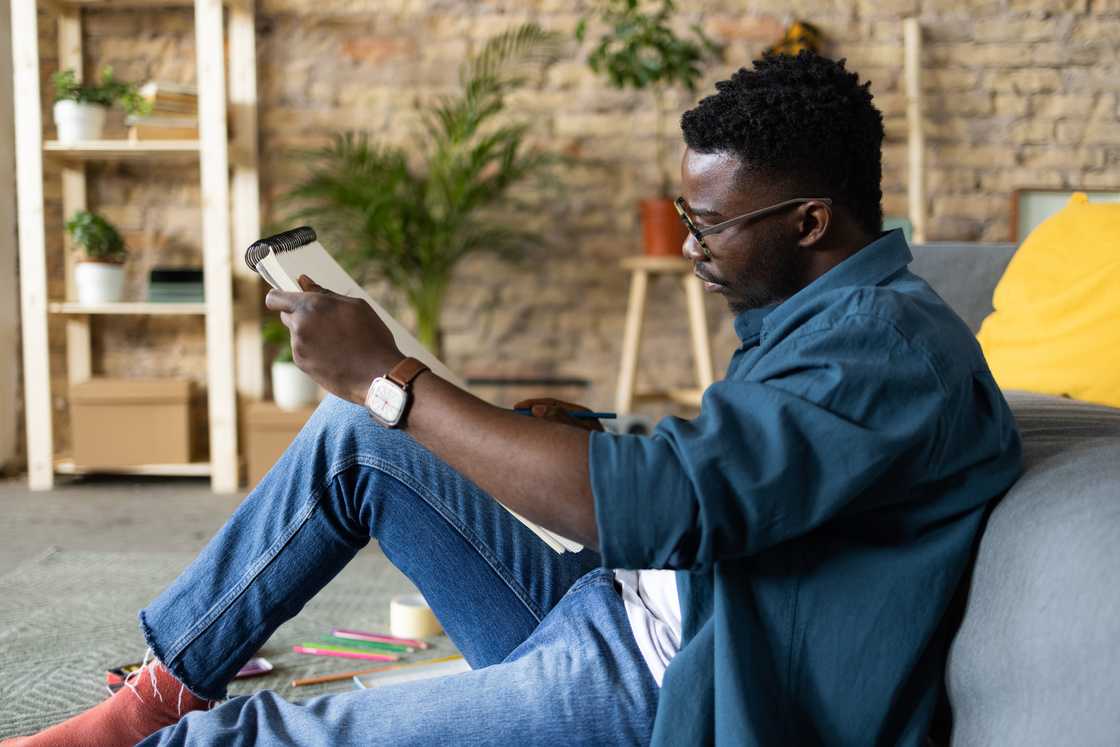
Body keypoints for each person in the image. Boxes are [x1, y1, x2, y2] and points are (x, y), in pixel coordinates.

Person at [5, 51, 1022, 747]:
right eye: (685, 214)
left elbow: (670, 503)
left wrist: (392, 376)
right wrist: (572, 432)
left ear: (809, 221)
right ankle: (159, 689)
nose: (689, 245)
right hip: (618, 610)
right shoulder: (832, 320)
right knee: (352, 437)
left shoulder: (882, 354)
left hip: (667, 692)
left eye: (708, 224)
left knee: (268, 734)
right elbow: (748, 468)